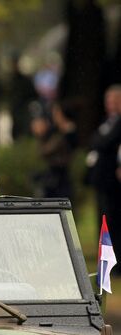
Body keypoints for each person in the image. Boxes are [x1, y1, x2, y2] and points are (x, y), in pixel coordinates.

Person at [86, 85, 121, 270]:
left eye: (115, 100)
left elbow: (104, 141)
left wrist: (99, 142)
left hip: (112, 181)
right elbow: (95, 141)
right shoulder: (106, 121)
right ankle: (105, 259)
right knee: (103, 220)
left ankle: (115, 263)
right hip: (101, 179)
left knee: (114, 221)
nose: (111, 104)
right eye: (109, 101)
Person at [5, 53, 38, 141]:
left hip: (24, 109)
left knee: (24, 129)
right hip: (14, 109)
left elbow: (34, 94)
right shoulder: (9, 80)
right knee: (15, 130)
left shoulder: (25, 80)